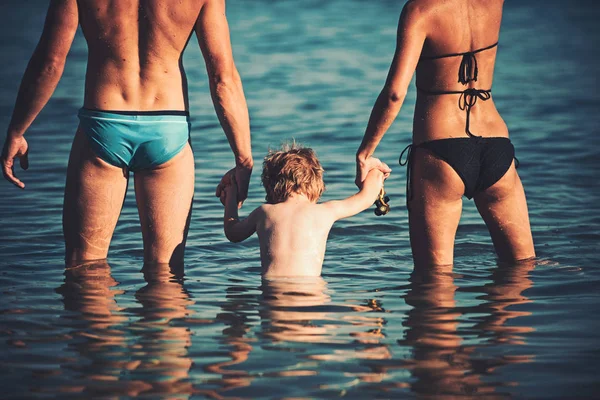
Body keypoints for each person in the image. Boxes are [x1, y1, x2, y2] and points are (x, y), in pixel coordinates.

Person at [1, 0, 253, 265]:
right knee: (165, 274)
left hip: (103, 122)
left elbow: (50, 63)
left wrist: (17, 130)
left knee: (85, 267)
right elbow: (222, 78)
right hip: (168, 127)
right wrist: (243, 159)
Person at [355, 0, 535, 267]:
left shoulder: (420, 10)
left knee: (435, 283)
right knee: (523, 267)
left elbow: (395, 94)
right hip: (496, 146)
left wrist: (365, 153)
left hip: (440, 150)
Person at [221, 144, 387, 277]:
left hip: (272, 296)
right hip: (311, 294)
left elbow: (232, 232)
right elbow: (366, 197)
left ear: (269, 186)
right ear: (317, 184)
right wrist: (376, 172)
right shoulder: (326, 211)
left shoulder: (264, 212)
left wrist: (231, 195)